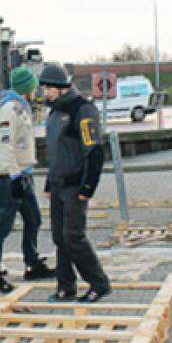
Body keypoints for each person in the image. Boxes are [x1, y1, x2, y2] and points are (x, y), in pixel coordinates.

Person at [40, 63, 111, 303]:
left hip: (75, 186)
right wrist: (50, 183)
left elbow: (94, 151)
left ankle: (99, 283)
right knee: (60, 237)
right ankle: (65, 286)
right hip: (59, 185)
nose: (45, 93)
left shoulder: (82, 110)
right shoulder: (54, 113)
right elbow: (56, 152)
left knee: (73, 236)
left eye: (48, 88)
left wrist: (88, 187)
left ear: (61, 88)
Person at [0, 66, 54, 293]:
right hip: (9, 175)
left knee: (33, 219)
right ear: (28, 88)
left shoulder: (21, 109)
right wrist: (13, 175)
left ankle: (32, 262)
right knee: (4, 224)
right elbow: (4, 145)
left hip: (23, 174)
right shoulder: (9, 111)